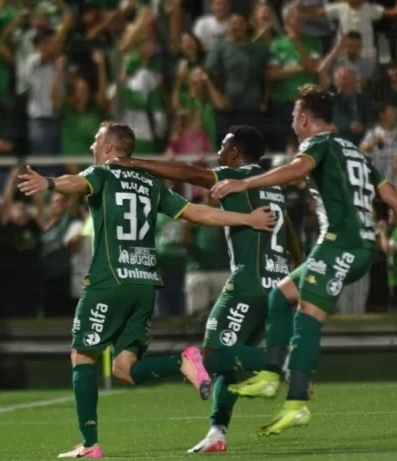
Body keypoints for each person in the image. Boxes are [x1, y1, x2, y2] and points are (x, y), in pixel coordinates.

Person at [17, 121, 277, 458]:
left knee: (82, 355)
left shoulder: (103, 173)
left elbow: (75, 183)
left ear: (110, 148)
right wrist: (246, 219)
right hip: (143, 285)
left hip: (109, 282)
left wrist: (48, 182)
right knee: (124, 368)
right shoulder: (150, 183)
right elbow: (195, 212)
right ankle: (183, 361)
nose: (93, 146)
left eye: (97, 140)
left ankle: (90, 444)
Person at [210, 84, 397, 435]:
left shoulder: (317, 144)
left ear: (305, 118)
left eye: (294, 114)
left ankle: (296, 403)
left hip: (341, 244)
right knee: (281, 295)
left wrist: (243, 185)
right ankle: (270, 375)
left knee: (307, 316)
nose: (292, 120)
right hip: (354, 245)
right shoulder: (354, 152)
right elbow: (395, 200)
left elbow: (296, 170)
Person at [108, 125, 303, 453]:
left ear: (235, 153)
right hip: (276, 285)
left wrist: (134, 163)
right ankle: (217, 432)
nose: (218, 154)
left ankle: (285, 365)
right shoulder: (272, 187)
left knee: (212, 354)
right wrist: (294, 278)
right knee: (227, 360)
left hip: (248, 284)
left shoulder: (235, 177)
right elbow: (293, 237)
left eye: (223, 147)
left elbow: (187, 173)